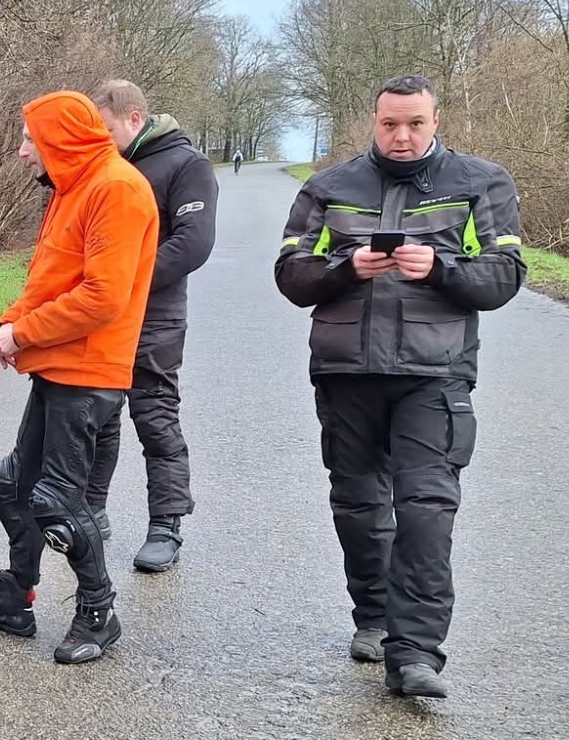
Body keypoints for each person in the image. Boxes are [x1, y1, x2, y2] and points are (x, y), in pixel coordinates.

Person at [274, 74, 524, 699]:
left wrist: (439, 267)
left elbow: (503, 276)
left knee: (426, 510)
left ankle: (415, 653)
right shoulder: (328, 186)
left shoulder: (481, 182)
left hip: (434, 374)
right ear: (374, 123)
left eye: (415, 123)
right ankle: (375, 618)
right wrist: (347, 267)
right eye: (390, 124)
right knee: (358, 505)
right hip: (346, 371)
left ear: (436, 121)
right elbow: (291, 275)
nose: (402, 136)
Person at [0, 91, 159, 664]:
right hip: (59, 364)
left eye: (32, 140)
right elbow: (50, 278)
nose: (23, 152)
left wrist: (24, 334)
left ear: (62, 141)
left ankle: (99, 612)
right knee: (13, 485)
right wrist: (10, 324)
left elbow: (103, 297)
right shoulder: (73, 188)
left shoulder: (117, 189)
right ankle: (15, 600)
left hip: (90, 372)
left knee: (57, 502)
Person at [85, 79, 218, 572]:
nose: (99, 138)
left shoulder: (187, 165)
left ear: (135, 119)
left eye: (105, 128)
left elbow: (193, 244)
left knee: (155, 417)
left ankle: (166, 525)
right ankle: (91, 511)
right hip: (100, 314)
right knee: (96, 416)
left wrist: (125, 283)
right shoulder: (105, 166)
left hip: (154, 316)